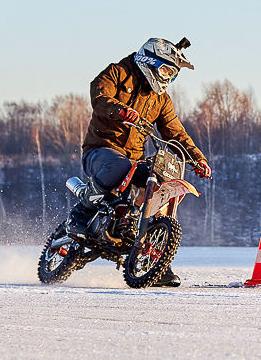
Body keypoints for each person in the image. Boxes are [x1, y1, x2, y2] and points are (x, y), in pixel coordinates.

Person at [69, 37, 211, 286]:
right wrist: (119, 110)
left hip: (133, 158)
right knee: (119, 165)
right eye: (166, 70)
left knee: (160, 183)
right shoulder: (119, 72)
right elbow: (99, 94)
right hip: (101, 150)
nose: (168, 77)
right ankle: (80, 215)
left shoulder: (161, 99)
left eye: (173, 74)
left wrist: (197, 159)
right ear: (149, 61)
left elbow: (175, 132)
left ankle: (156, 261)